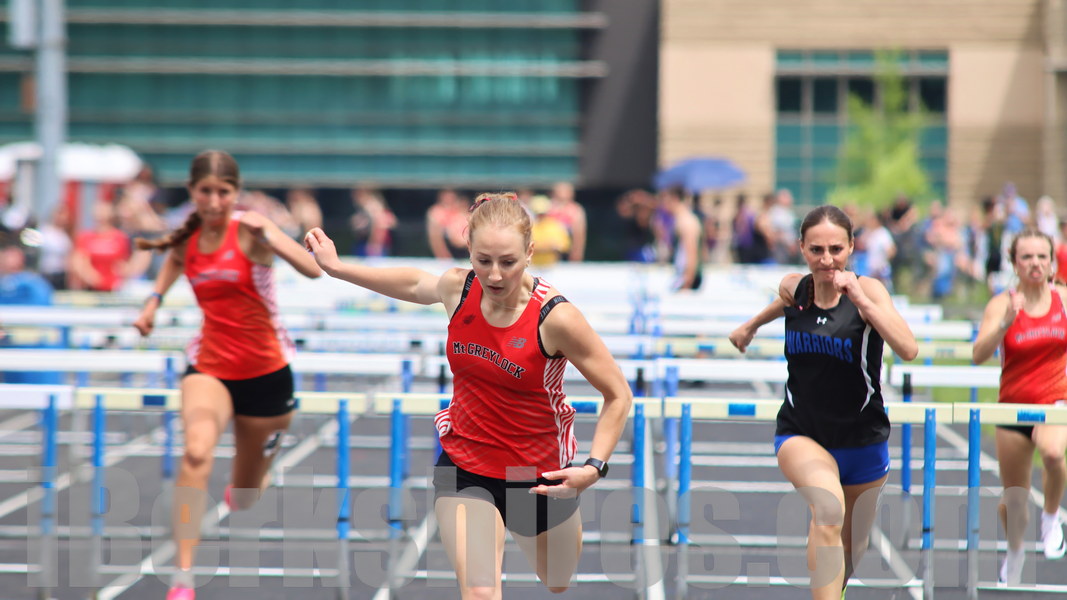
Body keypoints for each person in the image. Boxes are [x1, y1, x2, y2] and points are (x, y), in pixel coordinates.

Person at [303, 192, 632, 598]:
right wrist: (337, 268)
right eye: (483, 260)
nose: (494, 275)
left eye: (508, 262)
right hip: (466, 466)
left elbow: (618, 394)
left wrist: (594, 467)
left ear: (530, 253)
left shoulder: (556, 318)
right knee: (480, 591)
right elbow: (412, 282)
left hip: (536, 475)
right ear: (469, 252)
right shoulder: (458, 289)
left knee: (558, 579)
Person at [132, 150, 322, 600]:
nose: (214, 201)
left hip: (267, 374)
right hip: (209, 366)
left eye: (224, 192)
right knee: (196, 453)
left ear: (236, 193)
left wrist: (270, 232)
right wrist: (153, 302)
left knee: (246, 493)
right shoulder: (188, 237)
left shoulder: (252, 232)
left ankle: (251, 481)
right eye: (206, 191)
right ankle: (182, 577)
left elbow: (314, 269)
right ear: (192, 191)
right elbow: (175, 262)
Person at [729, 205, 917, 600]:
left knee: (851, 551)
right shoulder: (795, 289)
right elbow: (785, 301)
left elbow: (908, 348)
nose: (827, 259)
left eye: (836, 249)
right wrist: (750, 326)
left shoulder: (871, 291)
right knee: (828, 510)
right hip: (802, 433)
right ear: (802, 247)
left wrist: (862, 301)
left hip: (863, 438)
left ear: (851, 247)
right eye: (816, 250)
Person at [971, 227, 1067, 585]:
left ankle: (1052, 518)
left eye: (1042, 256)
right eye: (1027, 257)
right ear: (1015, 263)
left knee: (1053, 454)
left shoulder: (1063, 300)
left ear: (1052, 262)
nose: (1035, 263)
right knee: (1014, 501)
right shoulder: (1001, 304)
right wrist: (1004, 324)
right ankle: (1014, 550)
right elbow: (978, 355)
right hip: (1012, 406)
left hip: (1055, 400)